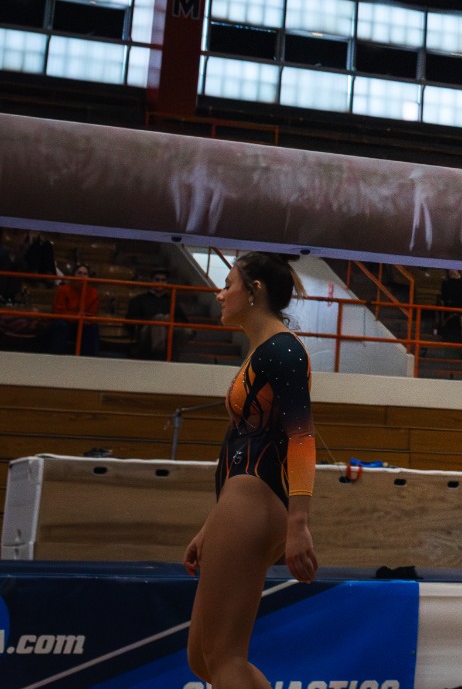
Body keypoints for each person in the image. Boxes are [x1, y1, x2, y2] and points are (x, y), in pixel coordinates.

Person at [184, 253, 318, 689]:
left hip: (255, 500)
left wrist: (298, 523)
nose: (220, 294)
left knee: (224, 657)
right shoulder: (264, 351)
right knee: (203, 659)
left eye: (228, 284)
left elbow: (302, 438)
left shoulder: (283, 349)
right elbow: (238, 446)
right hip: (238, 503)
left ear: (255, 289)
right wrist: (211, 526)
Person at [50, 262, 100, 356]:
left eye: (85, 274)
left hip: (84, 324)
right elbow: (59, 312)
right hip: (67, 322)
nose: (82, 276)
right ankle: (56, 357)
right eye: (79, 273)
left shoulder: (93, 292)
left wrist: (84, 319)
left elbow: (92, 314)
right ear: (73, 275)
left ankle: (89, 360)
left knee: (93, 328)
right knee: (60, 325)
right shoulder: (63, 290)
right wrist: (76, 317)